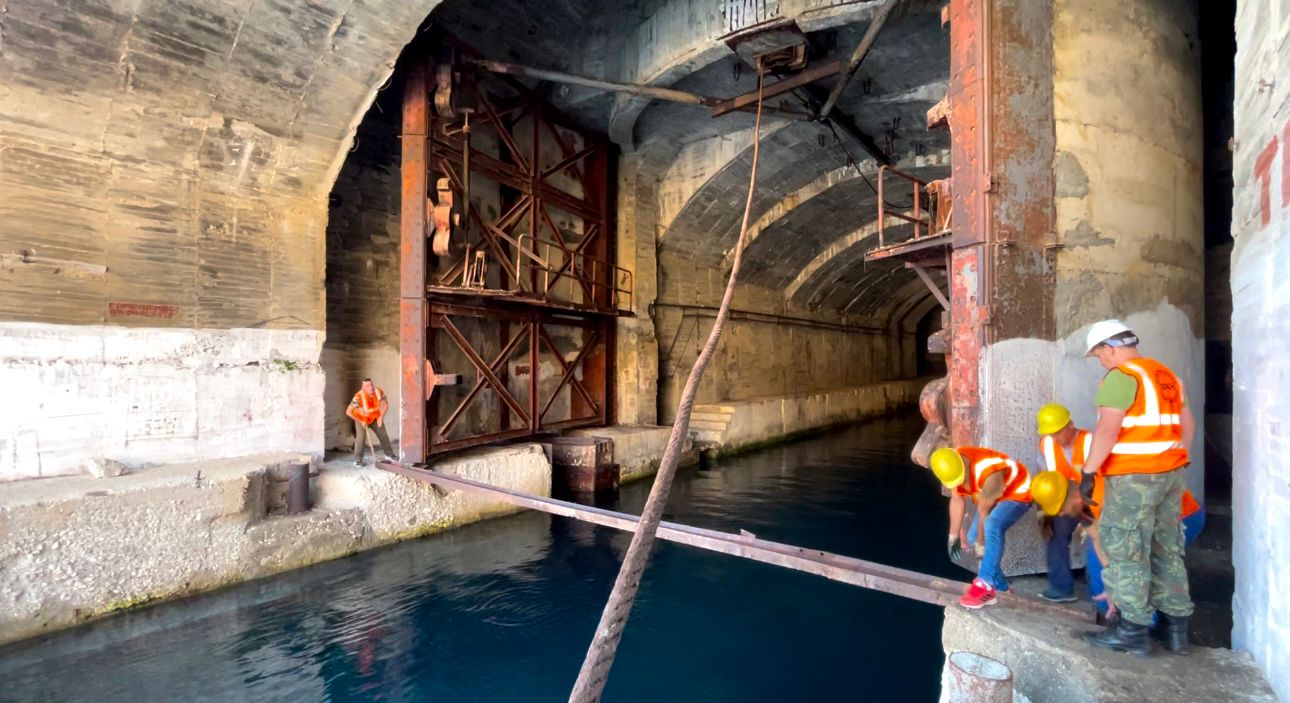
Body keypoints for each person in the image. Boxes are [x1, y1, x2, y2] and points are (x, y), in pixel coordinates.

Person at [1077, 319, 1195, 655]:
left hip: (1133, 479)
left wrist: (1088, 471)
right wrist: (1176, 460)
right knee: (1167, 547)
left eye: (1100, 355)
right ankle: (1176, 633)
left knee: (1126, 549)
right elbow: (1186, 424)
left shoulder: (1120, 377)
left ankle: (1131, 632)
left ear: (1111, 349)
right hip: (1171, 475)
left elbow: (1108, 431)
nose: (1101, 361)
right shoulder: (1166, 376)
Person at [930, 446, 1033, 609]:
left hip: (1018, 492)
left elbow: (984, 513)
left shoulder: (988, 473)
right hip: (994, 495)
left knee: (991, 527)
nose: (957, 484)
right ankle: (1002, 588)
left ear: (962, 467)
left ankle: (985, 584)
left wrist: (980, 543)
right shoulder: (952, 465)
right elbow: (957, 500)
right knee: (971, 539)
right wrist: (953, 536)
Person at [1034, 403, 1088, 603]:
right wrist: (1043, 512)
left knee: (1098, 544)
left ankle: (1100, 597)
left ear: (1071, 425)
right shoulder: (1046, 445)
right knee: (1054, 533)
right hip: (1065, 500)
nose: (1055, 438)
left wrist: (1087, 516)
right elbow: (1045, 479)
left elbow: (1104, 479)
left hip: (1095, 498)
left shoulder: (1090, 441)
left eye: (1058, 433)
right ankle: (1062, 588)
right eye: (1050, 434)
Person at [346, 378, 395, 466]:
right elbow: (348, 412)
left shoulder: (378, 392)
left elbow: (385, 404)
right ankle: (358, 460)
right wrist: (361, 421)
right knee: (360, 438)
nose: (371, 388)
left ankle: (389, 455)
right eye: (367, 386)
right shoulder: (358, 397)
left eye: (371, 385)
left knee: (383, 434)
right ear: (363, 387)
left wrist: (381, 417)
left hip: (374, 418)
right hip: (361, 419)